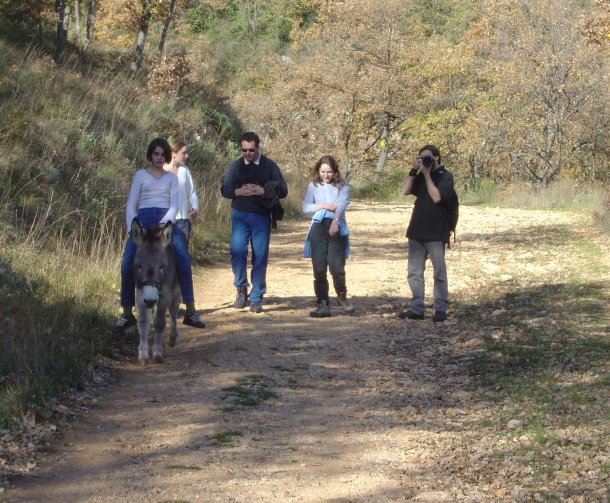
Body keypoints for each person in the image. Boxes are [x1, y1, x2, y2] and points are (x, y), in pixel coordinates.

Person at [113, 138, 206, 333]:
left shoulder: (171, 178)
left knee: (182, 257)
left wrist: (164, 224)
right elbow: (131, 204)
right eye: (155, 154)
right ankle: (126, 313)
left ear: (166, 156)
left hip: (165, 221)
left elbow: (173, 204)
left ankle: (190, 309)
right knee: (127, 261)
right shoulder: (140, 175)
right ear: (150, 155)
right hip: (143, 219)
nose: (158, 157)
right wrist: (132, 227)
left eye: (162, 154)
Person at [220, 132, 288, 313]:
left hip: (261, 216)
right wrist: (238, 191)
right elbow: (225, 189)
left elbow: (283, 189)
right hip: (240, 215)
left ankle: (257, 295)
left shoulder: (270, 165)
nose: (248, 153)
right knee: (237, 252)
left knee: (260, 256)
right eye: (244, 150)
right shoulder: (236, 166)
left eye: (251, 150)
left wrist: (263, 190)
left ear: (258, 147)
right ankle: (241, 289)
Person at [401, 144, 454, 322]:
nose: (426, 161)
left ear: (437, 158)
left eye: (428, 157)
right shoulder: (420, 175)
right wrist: (414, 170)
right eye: (422, 157)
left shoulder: (445, 176)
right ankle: (416, 308)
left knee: (439, 272)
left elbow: (437, 197)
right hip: (417, 230)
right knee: (414, 272)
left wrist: (427, 174)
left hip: (436, 232)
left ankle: (440, 308)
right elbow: (405, 190)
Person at [302, 155, 354, 318]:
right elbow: (306, 207)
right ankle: (323, 302)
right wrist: (324, 205)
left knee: (336, 267)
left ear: (334, 171)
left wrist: (335, 221)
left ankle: (341, 296)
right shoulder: (314, 185)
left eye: (329, 172)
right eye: (323, 171)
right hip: (318, 226)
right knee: (319, 267)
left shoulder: (342, 185)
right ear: (318, 171)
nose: (326, 175)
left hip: (335, 225)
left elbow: (342, 204)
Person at [163, 139, 200, 245]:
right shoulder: (161, 171)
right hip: (164, 220)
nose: (186, 156)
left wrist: (195, 207)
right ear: (173, 154)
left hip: (183, 220)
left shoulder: (185, 171)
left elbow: (192, 192)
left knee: (181, 254)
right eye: (183, 153)